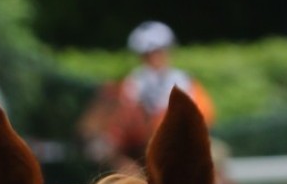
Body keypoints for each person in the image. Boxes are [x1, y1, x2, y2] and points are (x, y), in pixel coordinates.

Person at [82, 21, 216, 173]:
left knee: (214, 159)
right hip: (138, 151)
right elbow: (123, 118)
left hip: (183, 147)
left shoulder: (186, 82)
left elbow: (205, 117)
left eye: (158, 52)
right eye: (147, 54)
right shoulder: (132, 83)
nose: (154, 58)